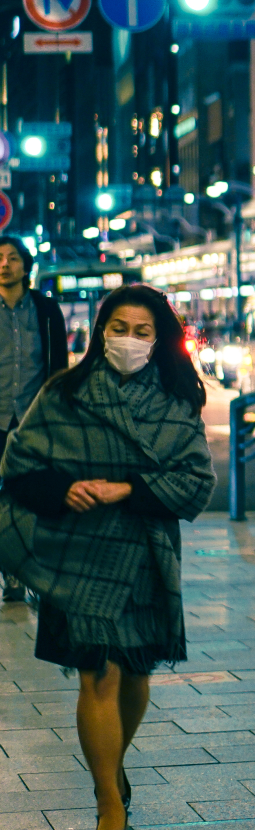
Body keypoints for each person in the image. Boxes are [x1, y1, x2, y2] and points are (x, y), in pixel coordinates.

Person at [0, 284, 215, 830]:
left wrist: (130, 487)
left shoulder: (175, 400)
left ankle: (112, 764)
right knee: (101, 672)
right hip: (80, 555)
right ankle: (107, 802)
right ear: (99, 333)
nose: (129, 340)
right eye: (119, 328)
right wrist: (63, 488)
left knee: (136, 674)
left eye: (143, 331)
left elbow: (197, 482)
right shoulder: (64, 393)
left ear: (160, 339)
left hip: (144, 551)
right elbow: (18, 468)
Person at [0, 238, 69, 604]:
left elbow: (58, 366)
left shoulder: (45, 310)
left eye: (12, 258)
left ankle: (28, 573)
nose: (5, 264)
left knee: (33, 497)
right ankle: (10, 571)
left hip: (33, 421)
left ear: (26, 267)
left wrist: (57, 415)